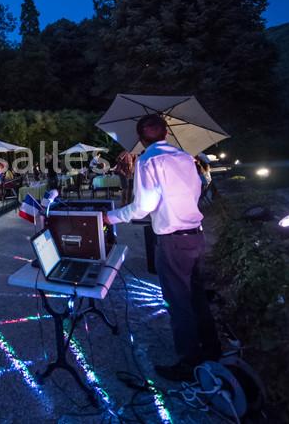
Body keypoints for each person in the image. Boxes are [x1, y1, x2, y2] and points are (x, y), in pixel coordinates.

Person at [103, 114, 221, 382]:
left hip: (173, 241)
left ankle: (189, 362)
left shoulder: (148, 159)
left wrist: (109, 217)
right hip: (195, 235)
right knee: (196, 296)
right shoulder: (184, 158)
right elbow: (195, 192)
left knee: (178, 302)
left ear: (141, 139)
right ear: (167, 133)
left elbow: (144, 206)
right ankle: (212, 349)